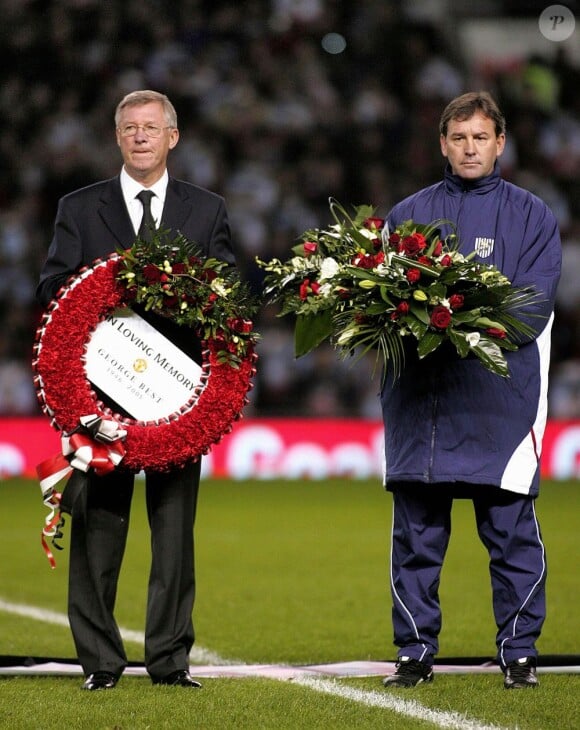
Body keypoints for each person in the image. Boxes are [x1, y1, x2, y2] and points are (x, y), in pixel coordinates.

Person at [36, 90, 235, 691]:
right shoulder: (79, 207)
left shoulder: (207, 210)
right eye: (130, 128)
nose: (140, 136)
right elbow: (52, 289)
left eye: (152, 127)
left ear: (173, 137)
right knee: (99, 532)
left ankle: (170, 662)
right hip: (102, 401)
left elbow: (228, 297)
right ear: (117, 137)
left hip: (177, 400)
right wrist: (104, 294)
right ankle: (100, 662)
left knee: (174, 536)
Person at [380, 92, 561, 690]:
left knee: (511, 540)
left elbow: (531, 310)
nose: (469, 148)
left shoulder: (532, 215)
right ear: (442, 143)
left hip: (500, 409)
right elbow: (383, 310)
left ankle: (520, 653)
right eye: (459, 138)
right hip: (422, 409)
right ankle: (414, 653)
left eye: (480, 138)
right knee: (417, 542)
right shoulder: (407, 213)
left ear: (500, 143)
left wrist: (449, 319)